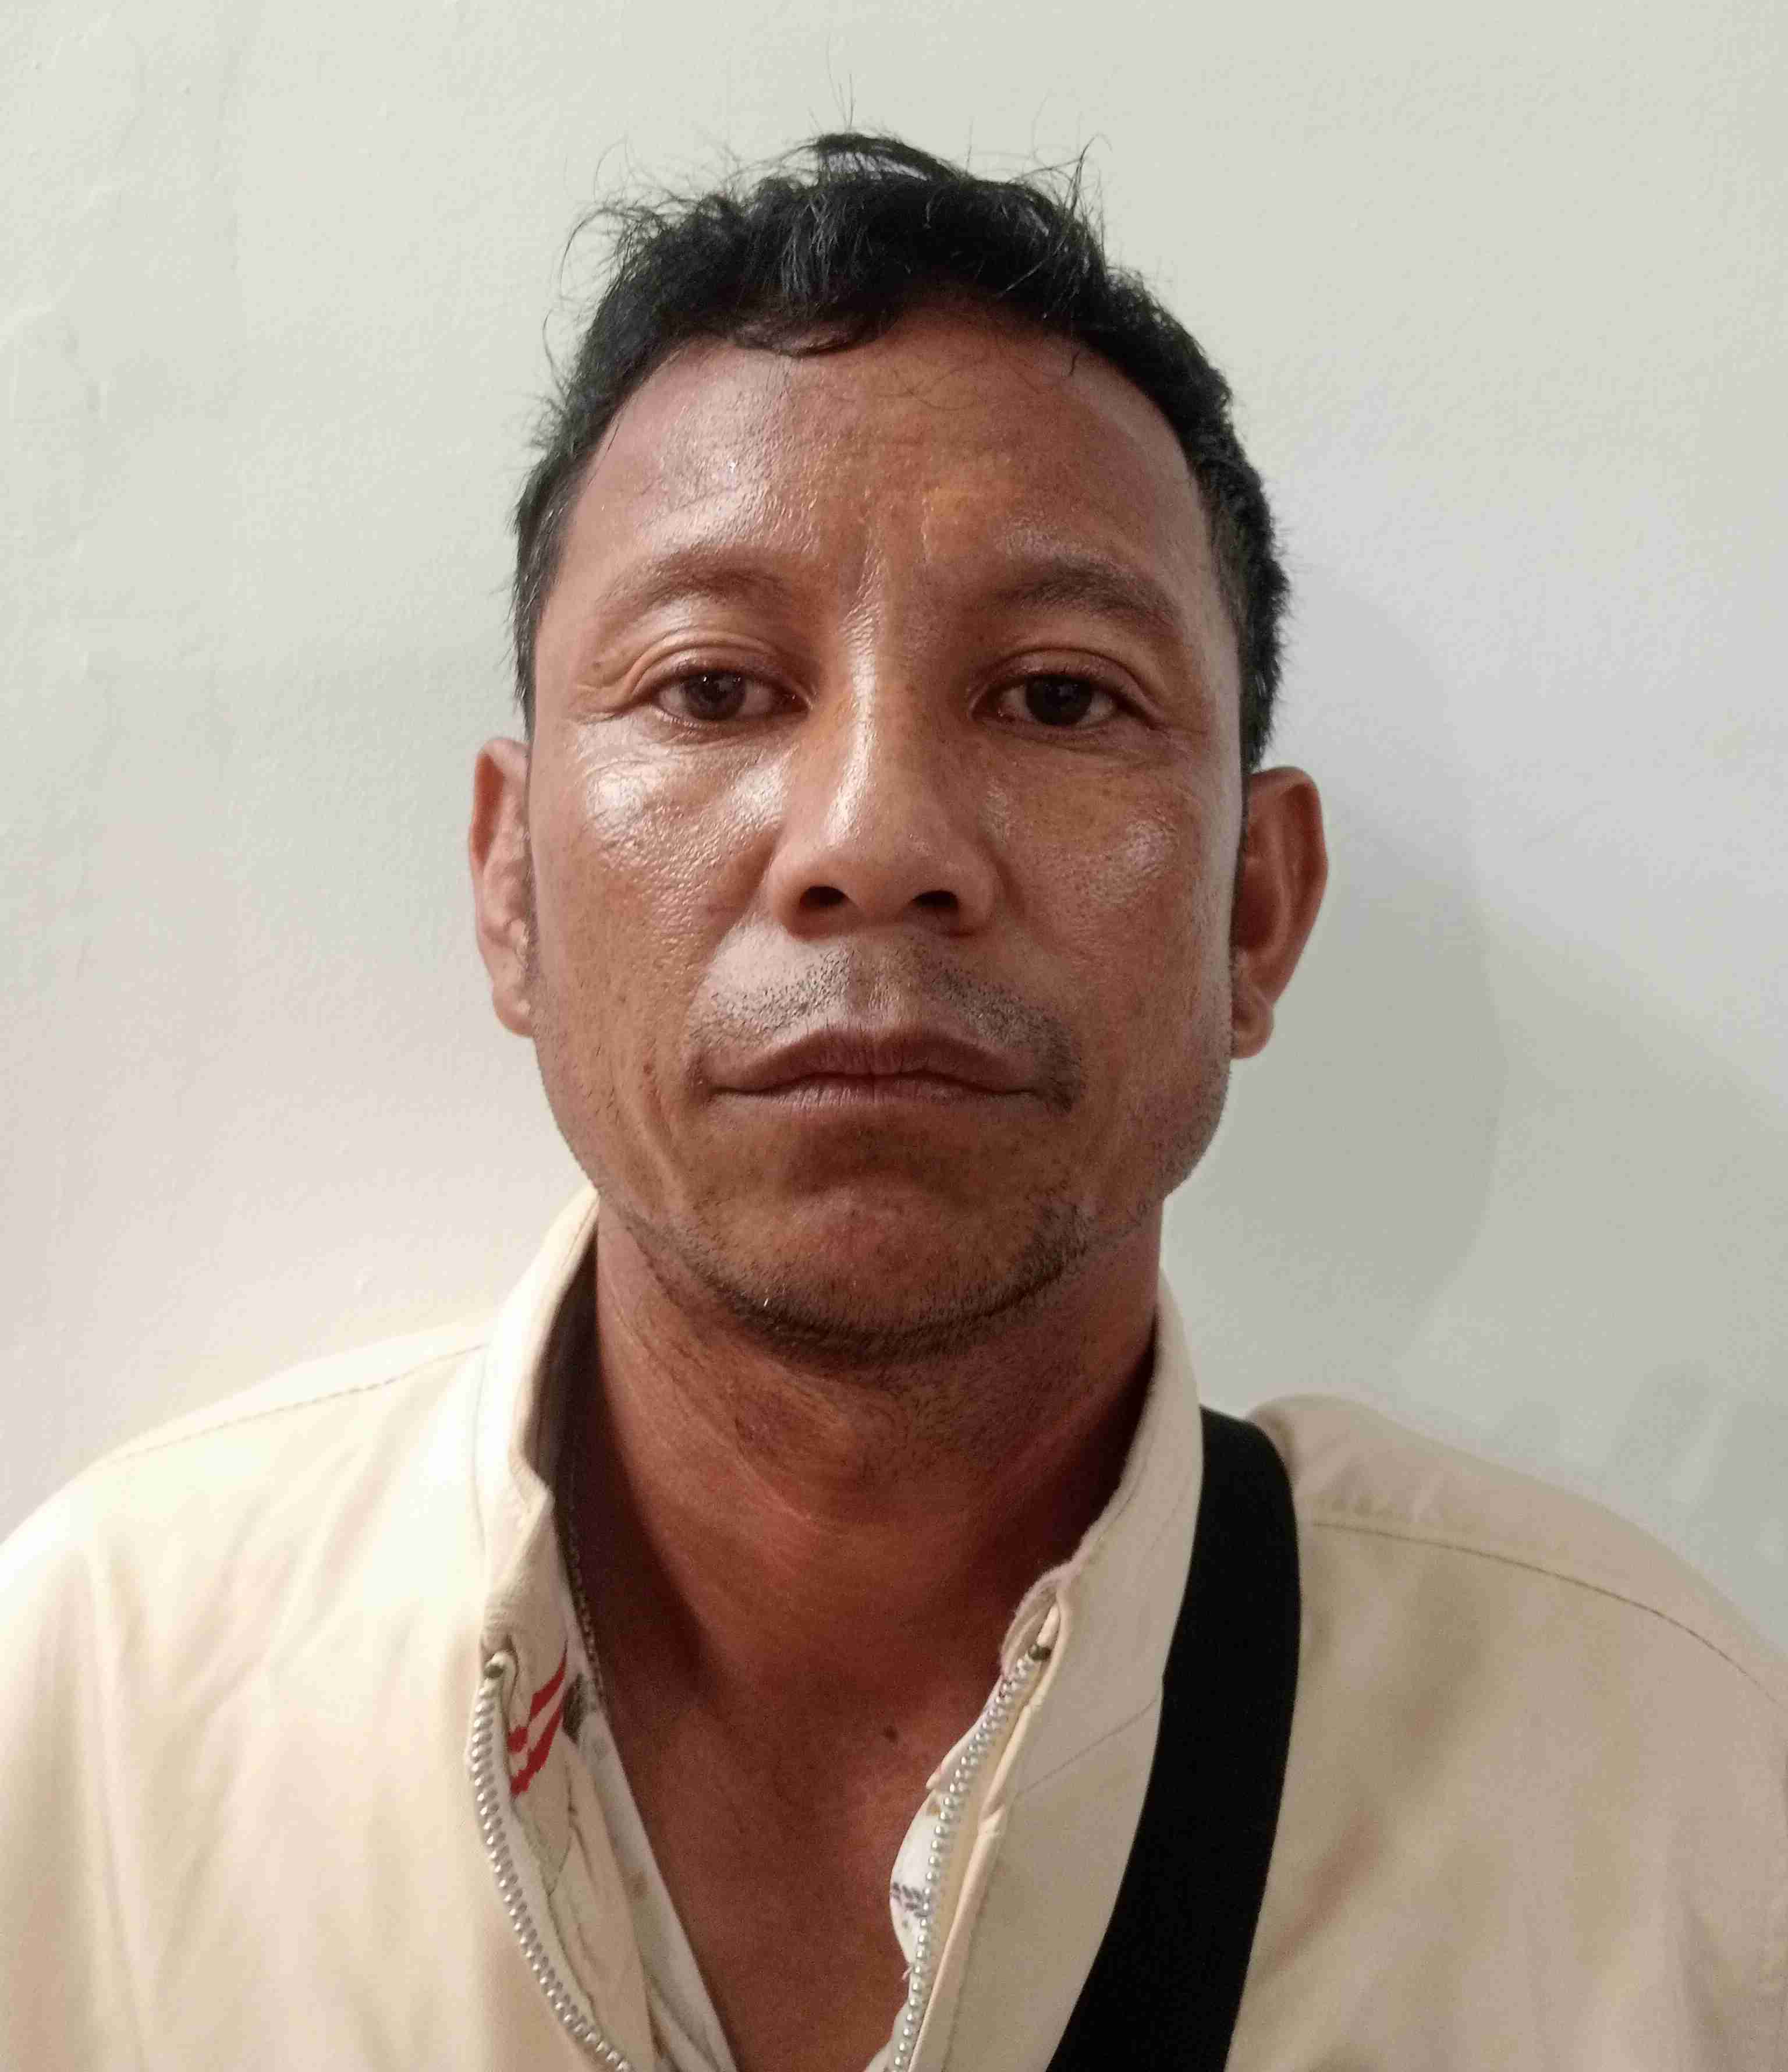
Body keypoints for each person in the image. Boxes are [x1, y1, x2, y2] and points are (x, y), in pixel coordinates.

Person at [2, 134, 1783, 2072]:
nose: (873, 839)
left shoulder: (1659, 1810)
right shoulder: (102, 1721)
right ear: (511, 887)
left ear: (1255, 914)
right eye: (710, 687)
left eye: (1058, 697)